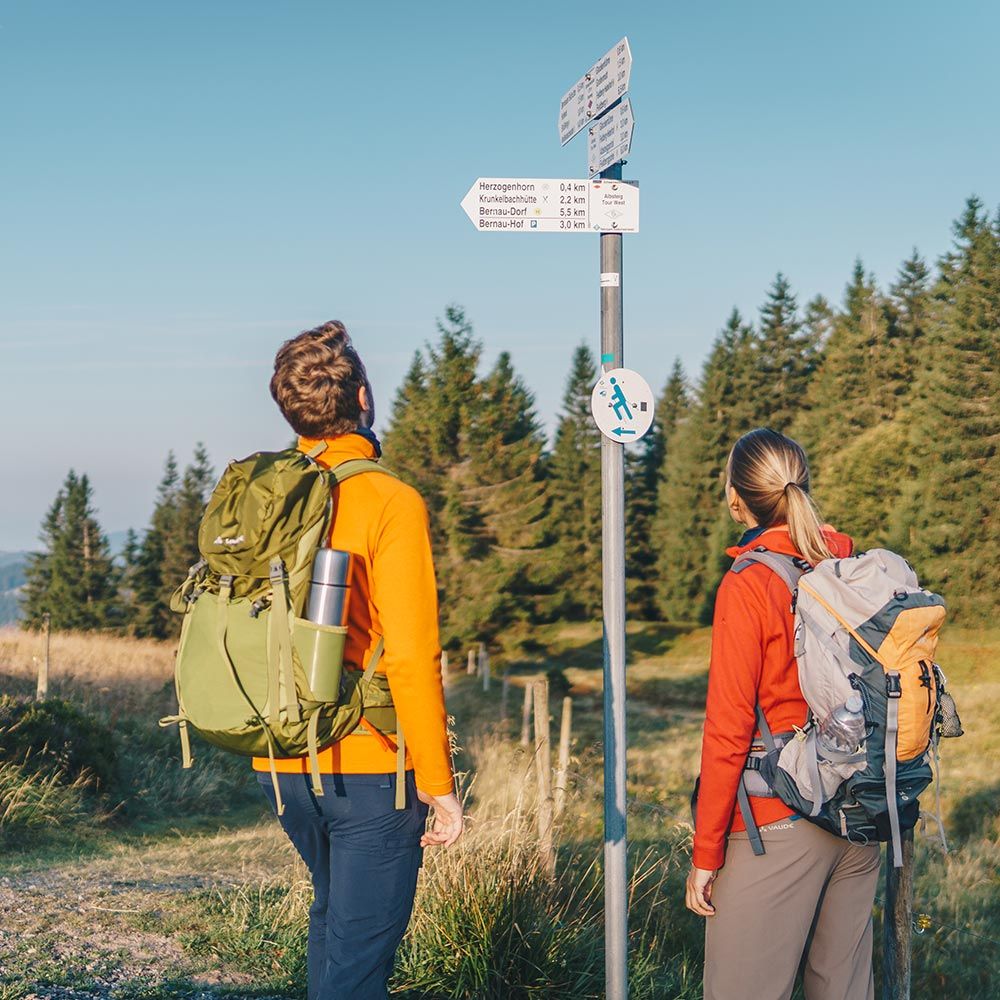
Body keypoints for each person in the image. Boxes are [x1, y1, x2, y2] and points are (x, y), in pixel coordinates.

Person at [255, 321, 463, 1000]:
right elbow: (411, 655)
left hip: (282, 758)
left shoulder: (268, 495)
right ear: (364, 397)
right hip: (369, 767)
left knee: (334, 925)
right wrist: (439, 783)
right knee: (359, 961)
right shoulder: (389, 500)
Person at [685, 427, 880, 1000]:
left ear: (735, 498)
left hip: (777, 818)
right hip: (857, 812)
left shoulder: (749, 584)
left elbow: (728, 730)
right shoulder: (846, 565)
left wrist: (707, 852)